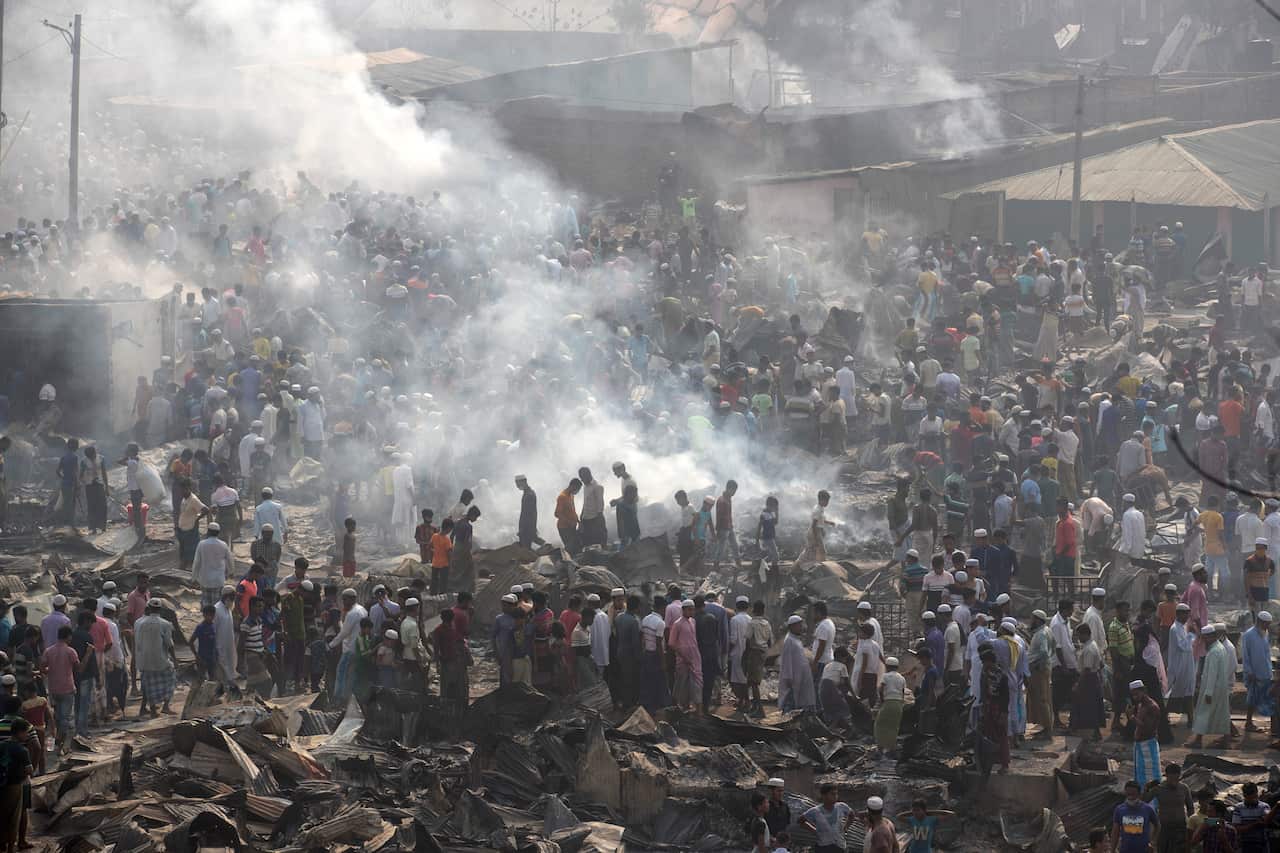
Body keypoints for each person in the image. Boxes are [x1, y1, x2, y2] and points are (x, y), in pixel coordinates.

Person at [1189, 624, 1232, 749]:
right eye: (1204, 638)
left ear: (1213, 636)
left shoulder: (1214, 651)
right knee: (1222, 714)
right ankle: (1226, 740)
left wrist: (1208, 692)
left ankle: (1198, 740)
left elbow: (1212, 674)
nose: (1205, 641)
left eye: (1207, 638)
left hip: (1212, 689)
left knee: (1203, 714)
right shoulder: (1221, 648)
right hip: (1220, 687)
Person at [134, 599, 176, 717]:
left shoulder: (139, 623)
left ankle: (150, 709)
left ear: (148, 608)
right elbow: (169, 644)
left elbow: (137, 642)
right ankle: (166, 706)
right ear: (160, 609)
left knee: (148, 684)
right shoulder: (165, 624)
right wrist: (175, 660)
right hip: (160, 661)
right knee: (171, 678)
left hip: (143, 660)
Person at [1148, 763, 1194, 853]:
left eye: (1176, 778)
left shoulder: (1184, 788)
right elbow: (1143, 801)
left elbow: (1190, 808)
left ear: (1179, 776)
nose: (1174, 781)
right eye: (1171, 778)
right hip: (1163, 827)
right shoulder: (1158, 788)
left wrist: (1191, 824)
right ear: (1166, 776)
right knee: (1163, 849)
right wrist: (1147, 788)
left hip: (1180, 827)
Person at [1241, 611, 1273, 733]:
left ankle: (1273, 725)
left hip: (1265, 671)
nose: (1267, 626)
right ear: (1260, 622)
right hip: (1253, 673)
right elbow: (1245, 655)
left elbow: (1267, 653)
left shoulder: (1265, 633)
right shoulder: (1248, 635)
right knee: (1252, 698)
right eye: (1266, 624)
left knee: (1267, 697)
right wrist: (1249, 672)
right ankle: (1248, 723)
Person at [801, 785, 855, 853]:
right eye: (832, 794)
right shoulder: (815, 811)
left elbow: (852, 814)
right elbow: (801, 821)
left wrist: (846, 827)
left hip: (840, 845)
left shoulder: (841, 806)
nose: (835, 796)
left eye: (836, 794)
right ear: (824, 796)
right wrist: (814, 830)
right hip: (823, 846)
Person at [779, 615, 815, 712]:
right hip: (793, 678)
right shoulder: (789, 640)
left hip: (800, 677)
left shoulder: (796, 639)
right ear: (792, 626)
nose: (801, 627)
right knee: (789, 703)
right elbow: (786, 661)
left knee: (799, 702)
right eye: (799, 625)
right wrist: (788, 677)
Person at [1111, 780, 1159, 853]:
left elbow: (1157, 825)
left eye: (1133, 794)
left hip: (1144, 850)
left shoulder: (1147, 809)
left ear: (1139, 794)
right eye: (1128, 794)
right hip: (1125, 850)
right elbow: (1115, 832)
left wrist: (1152, 842)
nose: (1130, 797)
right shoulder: (1119, 810)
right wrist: (1112, 850)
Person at [192, 523, 233, 607]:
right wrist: (231, 572)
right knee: (217, 605)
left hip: (205, 580)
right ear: (218, 533)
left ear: (208, 532)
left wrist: (194, 577)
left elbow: (197, 562)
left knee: (206, 603)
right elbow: (230, 560)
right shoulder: (223, 545)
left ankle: (207, 618)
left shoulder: (202, 544)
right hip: (218, 580)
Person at [876, 656, 906, 754]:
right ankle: (890, 748)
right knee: (894, 727)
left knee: (880, 724)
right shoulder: (902, 678)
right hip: (898, 704)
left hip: (888, 702)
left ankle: (880, 748)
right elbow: (902, 692)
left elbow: (880, 689)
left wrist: (881, 700)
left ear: (887, 666)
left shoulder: (886, 676)